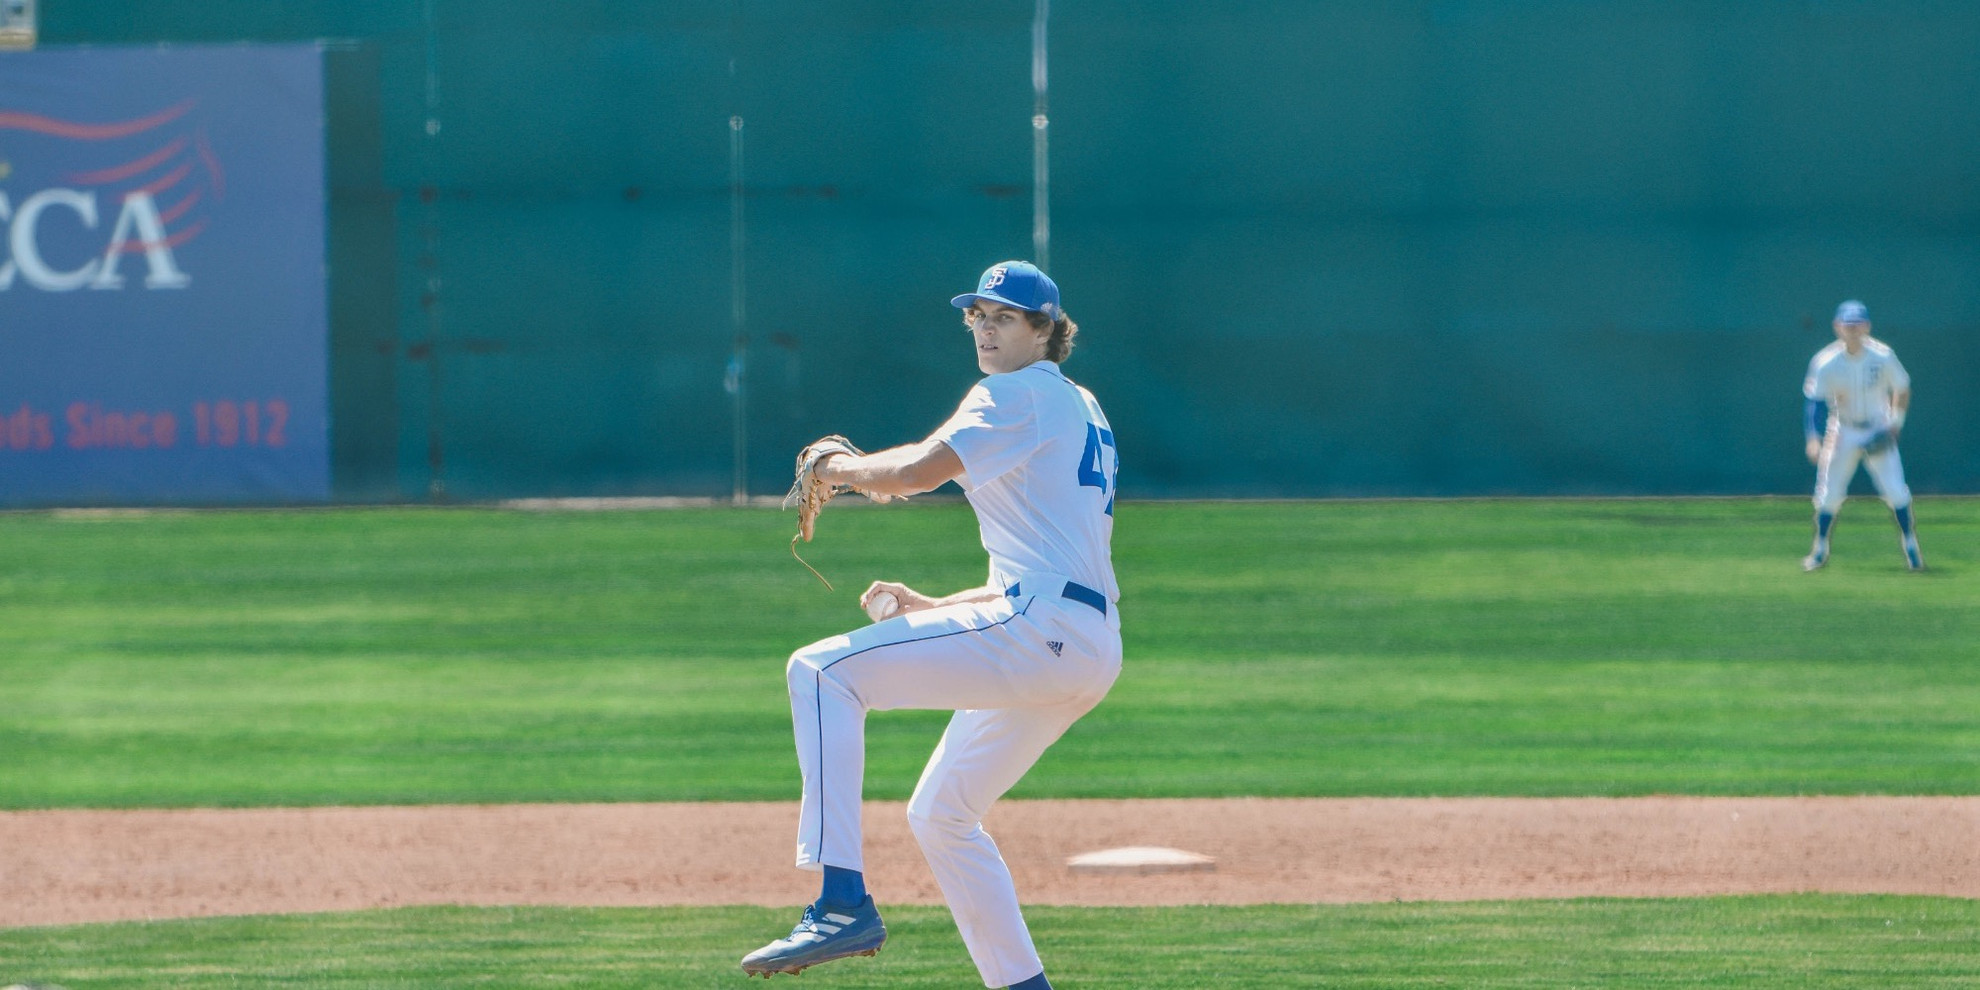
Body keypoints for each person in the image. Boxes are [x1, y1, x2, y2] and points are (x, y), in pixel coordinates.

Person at [740, 261, 1121, 990]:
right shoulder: (1080, 405)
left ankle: (840, 901)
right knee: (942, 814)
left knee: (820, 672)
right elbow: (1043, 562)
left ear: (1045, 330)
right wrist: (939, 609)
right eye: (976, 314)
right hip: (1080, 639)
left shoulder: (1013, 394)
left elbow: (916, 472)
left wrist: (838, 465)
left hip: (1044, 628)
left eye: (1003, 316)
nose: (983, 326)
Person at [1800, 299, 1922, 571]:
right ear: (1837, 327)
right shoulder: (1825, 361)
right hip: (1843, 429)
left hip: (1877, 427)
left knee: (1896, 492)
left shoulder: (1883, 355)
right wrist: (1813, 438)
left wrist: (1895, 424)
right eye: (1847, 324)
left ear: (1867, 326)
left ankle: (1911, 546)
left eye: (1858, 324)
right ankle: (1819, 549)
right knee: (1828, 494)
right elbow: (1814, 402)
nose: (1853, 329)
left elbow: (1902, 388)